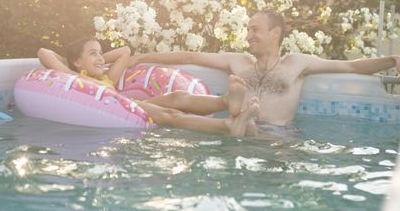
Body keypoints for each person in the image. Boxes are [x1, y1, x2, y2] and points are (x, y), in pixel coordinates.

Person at [130, 9, 400, 127]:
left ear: (275, 33)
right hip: (241, 137)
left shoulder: (297, 63)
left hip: (278, 141)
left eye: (255, 30)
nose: (248, 36)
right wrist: (142, 58)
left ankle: (240, 115)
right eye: (247, 30)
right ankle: (240, 117)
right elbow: (188, 57)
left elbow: (351, 66)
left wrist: (393, 60)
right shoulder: (238, 62)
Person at [37, 37, 259, 137]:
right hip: (122, 108)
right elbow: (43, 53)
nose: (100, 58)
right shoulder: (76, 79)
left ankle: (225, 101)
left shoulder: (107, 78)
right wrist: (72, 66)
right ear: (77, 61)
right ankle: (225, 126)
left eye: (100, 52)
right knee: (171, 114)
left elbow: (124, 51)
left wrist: (97, 59)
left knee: (177, 96)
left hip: (128, 104)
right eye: (92, 53)